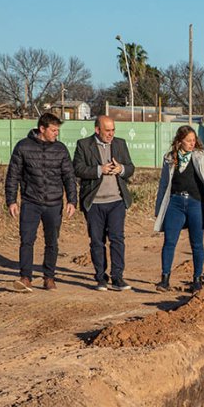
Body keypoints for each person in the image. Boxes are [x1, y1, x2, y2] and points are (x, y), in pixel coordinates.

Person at [5, 112, 77, 292]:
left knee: (52, 242)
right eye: (53, 130)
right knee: (27, 240)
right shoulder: (23, 146)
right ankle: (25, 278)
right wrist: (11, 200)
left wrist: (72, 200)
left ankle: (49, 277)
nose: (56, 133)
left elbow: (69, 176)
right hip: (30, 202)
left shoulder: (60, 149)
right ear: (42, 129)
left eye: (57, 130)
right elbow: (13, 175)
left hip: (54, 203)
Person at [154, 126, 204, 293]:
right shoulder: (170, 158)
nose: (192, 143)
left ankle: (197, 280)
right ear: (179, 142)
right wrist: (159, 207)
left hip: (195, 203)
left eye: (194, 140)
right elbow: (164, 184)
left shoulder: (200, 156)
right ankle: (164, 280)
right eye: (188, 141)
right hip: (175, 203)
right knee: (169, 241)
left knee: (196, 243)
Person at [73, 116, 135, 291]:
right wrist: (100, 170)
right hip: (94, 202)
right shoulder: (84, 145)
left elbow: (130, 167)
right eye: (107, 130)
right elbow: (77, 168)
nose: (111, 134)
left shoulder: (120, 144)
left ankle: (117, 277)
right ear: (97, 130)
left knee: (117, 239)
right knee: (97, 241)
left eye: (113, 130)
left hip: (116, 201)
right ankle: (101, 277)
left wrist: (121, 169)